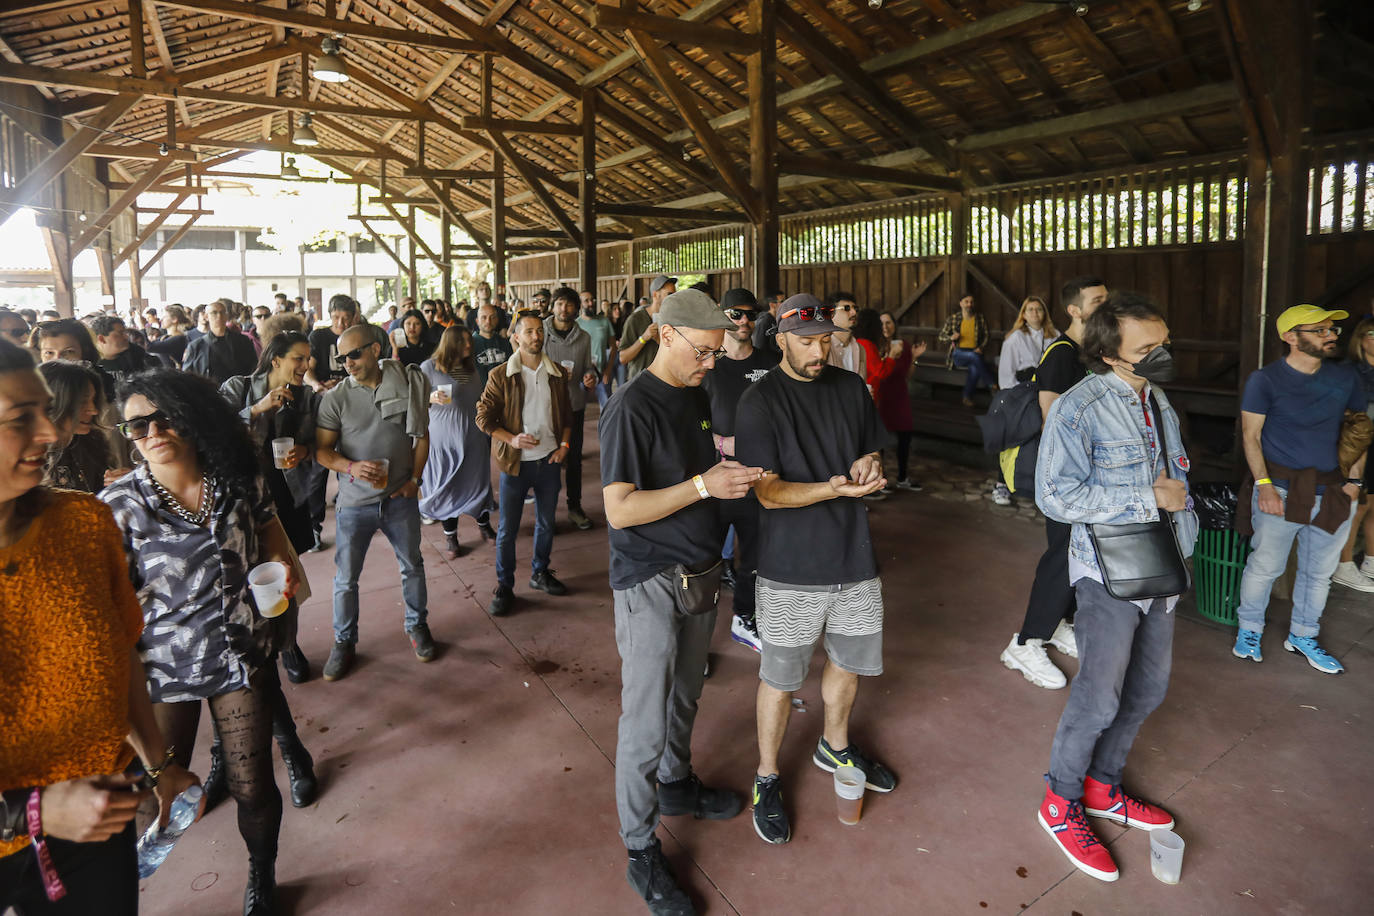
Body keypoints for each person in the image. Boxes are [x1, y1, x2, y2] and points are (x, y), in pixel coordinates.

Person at [0, 341, 197, 916]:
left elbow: (117, 655)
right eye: (20, 420)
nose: (49, 433)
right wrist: (33, 810)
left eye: (44, 411)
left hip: (96, 818)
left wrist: (158, 762)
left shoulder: (84, 524)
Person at [102, 368, 303, 915]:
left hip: (239, 654)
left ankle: (262, 877)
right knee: (149, 797)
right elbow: (111, 611)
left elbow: (269, 536)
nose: (153, 431)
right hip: (164, 669)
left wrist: (285, 578)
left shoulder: (237, 476)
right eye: (138, 425)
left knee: (253, 787)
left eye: (164, 416)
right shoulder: (116, 505)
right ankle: (125, 896)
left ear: (193, 416)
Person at [599, 288, 762, 915]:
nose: (712, 363)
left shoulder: (696, 393)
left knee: (687, 691)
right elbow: (619, 509)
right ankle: (641, 849)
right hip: (649, 577)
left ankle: (675, 785)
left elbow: (703, 475)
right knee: (643, 720)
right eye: (704, 351)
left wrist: (734, 479)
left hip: (701, 570)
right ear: (666, 336)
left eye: (718, 353)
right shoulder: (628, 408)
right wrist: (702, 485)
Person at [1034, 291, 1197, 883]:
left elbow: (1176, 476)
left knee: (1149, 689)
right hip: (1109, 573)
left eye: (1165, 343)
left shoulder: (1159, 401)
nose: (1163, 356)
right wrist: (1145, 497)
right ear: (1109, 354)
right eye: (1149, 349)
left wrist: (1184, 526)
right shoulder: (1079, 409)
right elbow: (1054, 496)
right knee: (1099, 697)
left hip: (1164, 568)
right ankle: (1061, 799)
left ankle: (1103, 787)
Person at [734, 294, 898, 847]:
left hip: (854, 555)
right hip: (789, 566)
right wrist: (832, 487)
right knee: (780, 680)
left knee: (848, 663)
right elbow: (769, 493)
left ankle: (834, 744)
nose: (819, 348)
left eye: (825, 337)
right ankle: (767, 775)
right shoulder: (759, 402)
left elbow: (874, 449)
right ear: (779, 339)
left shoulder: (850, 387)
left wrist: (868, 464)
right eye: (806, 340)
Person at [1232, 304, 1368, 674]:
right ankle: (1249, 630)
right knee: (1265, 567)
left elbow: (1358, 432)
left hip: (1333, 492)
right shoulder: (1265, 380)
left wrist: (1354, 482)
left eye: (1332, 330)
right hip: (1281, 490)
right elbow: (1251, 436)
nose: (1330, 335)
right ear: (1291, 337)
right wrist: (1264, 487)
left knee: (1318, 572)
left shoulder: (1345, 378)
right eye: (1320, 330)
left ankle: (1304, 635)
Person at [1000, 276, 1108, 690]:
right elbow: (1053, 418)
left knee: (1079, 553)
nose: (1105, 306)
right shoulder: (1061, 355)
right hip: (1066, 476)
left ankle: (1060, 623)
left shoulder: (1089, 353)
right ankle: (1025, 642)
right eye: (1097, 301)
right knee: (1062, 555)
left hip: (1088, 474)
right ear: (1075, 310)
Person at [314, 324, 433, 681]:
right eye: (341, 357)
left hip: (399, 497)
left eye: (354, 354)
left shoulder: (406, 383)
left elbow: (422, 437)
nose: (347, 362)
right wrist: (350, 467)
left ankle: (418, 626)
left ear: (376, 349)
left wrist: (414, 481)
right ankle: (343, 641)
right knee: (346, 579)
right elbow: (322, 451)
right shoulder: (336, 399)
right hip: (353, 504)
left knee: (412, 565)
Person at [219, 330, 320, 685]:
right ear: (276, 359)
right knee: (244, 572)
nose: (305, 366)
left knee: (286, 570)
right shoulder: (237, 388)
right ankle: (252, 644)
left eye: (308, 359)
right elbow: (214, 434)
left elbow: (312, 445)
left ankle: (288, 643)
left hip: (283, 492)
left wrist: (303, 453)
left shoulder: (305, 398)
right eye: (298, 359)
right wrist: (259, 408)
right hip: (240, 497)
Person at [477, 310, 573, 616]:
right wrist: (511, 439)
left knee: (546, 524)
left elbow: (568, 417)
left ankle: (539, 573)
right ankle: (505, 585)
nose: (536, 336)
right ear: (515, 337)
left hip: (548, 462)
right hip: (515, 465)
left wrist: (565, 446)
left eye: (539, 331)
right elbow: (483, 417)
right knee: (507, 529)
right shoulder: (500, 375)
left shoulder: (556, 373)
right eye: (529, 332)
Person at [701, 288, 778, 653]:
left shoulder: (771, 363)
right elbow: (690, 422)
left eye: (751, 314)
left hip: (756, 479)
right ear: (722, 315)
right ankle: (694, 640)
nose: (744, 321)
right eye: (736, 314)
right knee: (701, 561)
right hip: (715, 480)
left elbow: (783, 418)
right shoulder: (708, 365)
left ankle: (745, 617)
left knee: (754, 558)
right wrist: (721, 443)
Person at [419, 326, 496, 558]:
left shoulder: (471, 367)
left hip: (473, 435)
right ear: (450, 344)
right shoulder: (429, 368)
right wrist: (430, 396)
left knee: (477, 482)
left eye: (468, 341)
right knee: (447, 485)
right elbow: (412, 398)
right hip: (443, 438)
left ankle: (484, 526)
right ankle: (451, 536)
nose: (469, 345)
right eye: (463, 342)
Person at [543, 287, 599, 531]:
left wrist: (589, 376)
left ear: (576, 309)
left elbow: (588, 367)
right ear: (552, 306)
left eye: (568, 305)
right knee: (547, 460)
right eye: (559, 304)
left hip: (574, 405)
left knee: (574, 460)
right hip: (544, 406)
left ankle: (574, 507)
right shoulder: (539, 332)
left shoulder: (584, 338)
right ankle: (546, 511)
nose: (563, 309)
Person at [1332, 313, 1374, 591]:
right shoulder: (1351, 371)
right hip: (1360, 444)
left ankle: (1371, 560)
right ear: (1361, 340)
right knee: (1358, 505)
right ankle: (1343, 565)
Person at [37, 359, 111, 493]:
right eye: (82, 402)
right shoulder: (25, 455)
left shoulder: (93, 443)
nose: (93, 410)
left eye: (93, 401)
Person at [877, 310, 927, 491]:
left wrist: (913, 357)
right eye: (882, 323)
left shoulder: (904, 345)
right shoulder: (875, 345)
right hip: (881, 394)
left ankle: (902, 476)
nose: (885, 327)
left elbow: (907, 375)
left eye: (888, 322)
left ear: (894, 325)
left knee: (905, 436)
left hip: (899, 393)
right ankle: (879, 479)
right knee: (880, 438)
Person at [182, 299, 260, 385]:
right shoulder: (196, 346)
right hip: (209, 394)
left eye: (222, 312)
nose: (219, 316)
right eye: (214, 313)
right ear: (207, 317)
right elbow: (187, 377)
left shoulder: (243, 341)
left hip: (238, 393)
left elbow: (253, 368)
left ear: (227, 316)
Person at [938, 293, 994, 407]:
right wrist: (951, 337)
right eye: (966, 301)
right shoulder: (953, 319)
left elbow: (987, 335)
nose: (969, 304)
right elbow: (941, 336)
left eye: (971, 302)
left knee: (975, 369)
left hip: (975, 351)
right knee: (974, 357)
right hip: (958, 353)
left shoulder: (980, 318)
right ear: (961, 303)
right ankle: (992, 384)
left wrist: (981, 347)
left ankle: (966, 397)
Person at [618, 275, 675, 380]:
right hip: (639, 383)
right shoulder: (635, 319)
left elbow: (675, 354)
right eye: (669, 294)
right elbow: (623, 358)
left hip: (664, 381)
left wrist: (659, 340)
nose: (673, 298)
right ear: (655, 295)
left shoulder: (672, 319)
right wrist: (643, 338)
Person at [999, 296, 1058, 390]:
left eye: (1039, 309)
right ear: (1024, 315)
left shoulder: (1055, 335)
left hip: (1051, 386)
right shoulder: (1016, 337)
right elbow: (1006, 373)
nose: (1035, 312)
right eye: (1030, 309)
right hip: (1025, 388)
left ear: (1045, 314)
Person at [90, 315, 159, 384]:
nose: (126, 337)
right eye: (120, 333)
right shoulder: (90, 364)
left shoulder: (137, 354)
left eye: (125, 333)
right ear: (101, 339)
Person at [578, 293, 617, 406]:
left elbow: (613, 347)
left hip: (601, 372)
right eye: (586, 301)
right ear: (580, 304)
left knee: (607, 407)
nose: (591, 303)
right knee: (578, 408)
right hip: (581, 375)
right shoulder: (576, 324)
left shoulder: (604, 321)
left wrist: (608, 370)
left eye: (592, 300)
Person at [826, 292, 866, 378]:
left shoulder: (860, 349)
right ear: (831, 314)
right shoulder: (823, 347)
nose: (854, 312)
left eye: (855, 308)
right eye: (846, 308)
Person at [472, 303, 513, 387]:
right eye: (484, 317)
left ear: (497, 319)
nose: (488, 321)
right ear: (477, 321)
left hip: (504, 393)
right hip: (479, 396)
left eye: (492, 317)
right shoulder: (469, 344)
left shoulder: (505, 343)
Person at [751, 290, 785, 358]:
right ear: (772, 305)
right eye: (782, 301)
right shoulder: (764, 321)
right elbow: (758, 345)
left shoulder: (777, 320)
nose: (785, 304)